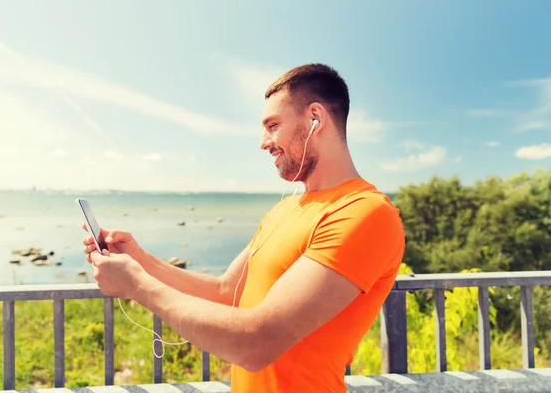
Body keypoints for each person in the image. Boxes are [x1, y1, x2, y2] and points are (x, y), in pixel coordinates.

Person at [83, 63, 406, 393]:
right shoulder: (285, 209)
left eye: (273, 125)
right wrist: (140, 261)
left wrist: (136, 286)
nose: (264, 142)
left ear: (315, 119)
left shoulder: (365, 213)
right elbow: (226, 293)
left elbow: (257, 343)